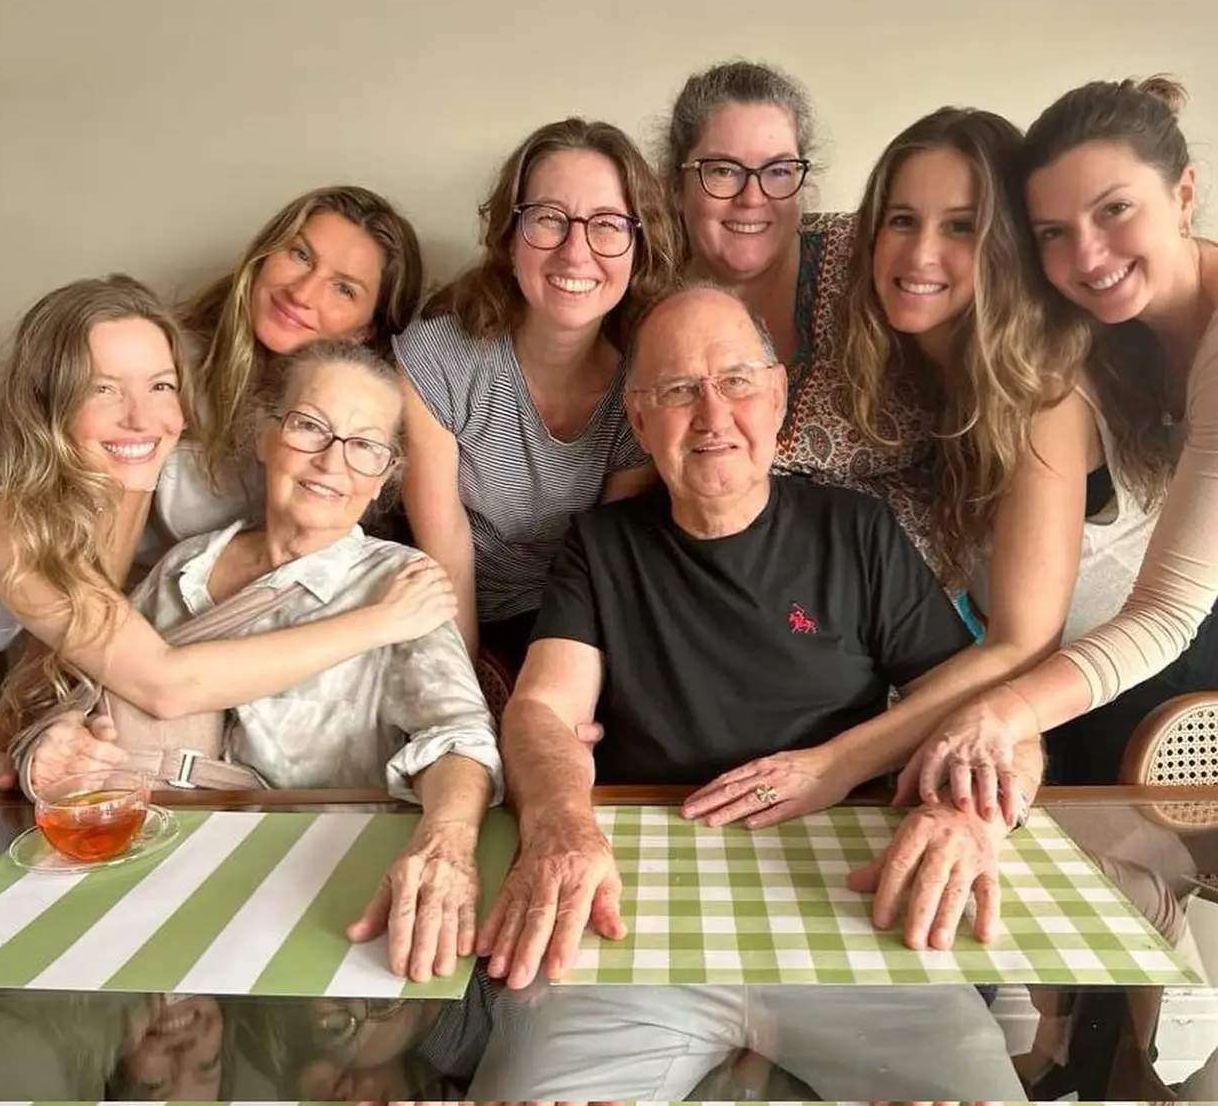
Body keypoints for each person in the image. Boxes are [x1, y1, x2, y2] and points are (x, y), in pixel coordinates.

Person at [469, 284, 1040, 1102]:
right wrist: (560, 822)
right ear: (639, 421)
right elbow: (542, 711)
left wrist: (969, 815)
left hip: (853, 914)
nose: (711, 415)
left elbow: (991, 714)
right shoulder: (600, 546)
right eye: (677, 390)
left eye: (735, 381)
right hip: (636, 918)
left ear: (774, 398)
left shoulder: (857, 531)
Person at [22, 339, 500, 980]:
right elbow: (85, 699)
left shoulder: (400, 583)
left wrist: (447, 842)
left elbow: (458, 737)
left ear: (385, 476)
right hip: (150, 881)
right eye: (310, 426)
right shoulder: (181, 567)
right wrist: (60, 745)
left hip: (313, 890)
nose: (333, 461)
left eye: (365, 446)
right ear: (263, 434)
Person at [827, 107, 1171, 792]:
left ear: (1005, 246)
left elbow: (1020, 642)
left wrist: (832, 763)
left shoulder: (1046, 391)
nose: (919, 254)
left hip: (1145, 714)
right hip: (1036, 702)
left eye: (960, 226)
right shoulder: (933, 371)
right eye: (902, 220)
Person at [908, 77, 1218, 814]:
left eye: (1114, 210)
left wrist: (1000, 711)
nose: (1087, 254)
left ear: (1182, 193)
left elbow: (1167, 612)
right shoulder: (1117, 328)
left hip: (1178, 650)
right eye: (1053, 231)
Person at [0, 277, 458, 759]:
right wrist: (379, 622)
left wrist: (15, 754)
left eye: (161, 385)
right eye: (103, 388)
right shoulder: (0, 521)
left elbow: (51, 660)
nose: (141, 418)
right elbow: (162, 684)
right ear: (47, 399)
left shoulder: (126, 482)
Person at [395, 116, 678, 666]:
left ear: (638, 247)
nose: (576, 252)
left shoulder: (645, 383)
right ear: (509, 237)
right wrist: (469, 694)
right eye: (549, 219)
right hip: (449, 610)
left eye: (606, 224)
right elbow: (445, 558)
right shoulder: (439, 359)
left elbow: (603, 569)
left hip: (572, 617)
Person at [664, 59, 940, 553]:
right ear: (676, 182)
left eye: (778, 171)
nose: (753, 197)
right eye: (722, 171)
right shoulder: (644, 301)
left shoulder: (873, 260)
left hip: (909, 580)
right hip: (729, 582)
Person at [145, 182, 423, 568]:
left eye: (343, 289)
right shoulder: (161, 364)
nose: (302, 293)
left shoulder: (375, 427)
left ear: (366, 330)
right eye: (301, 255)